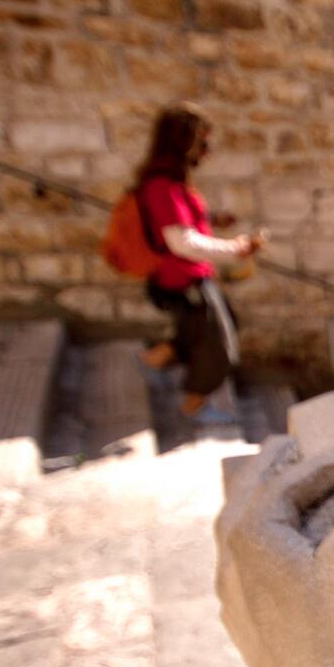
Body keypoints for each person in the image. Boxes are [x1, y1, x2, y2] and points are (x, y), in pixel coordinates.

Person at [133, 103, 263, 425]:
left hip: (188, 278)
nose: (207, 151)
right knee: (218, 344)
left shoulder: (168, 183)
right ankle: (193, 405)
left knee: (204, 330)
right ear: (182, 142)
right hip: (183, 280)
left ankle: (153, 360)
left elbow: (179, 225)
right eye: (202, 143)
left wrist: (212, 218)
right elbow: (181, 241)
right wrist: (235, 248)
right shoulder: (162, 186)